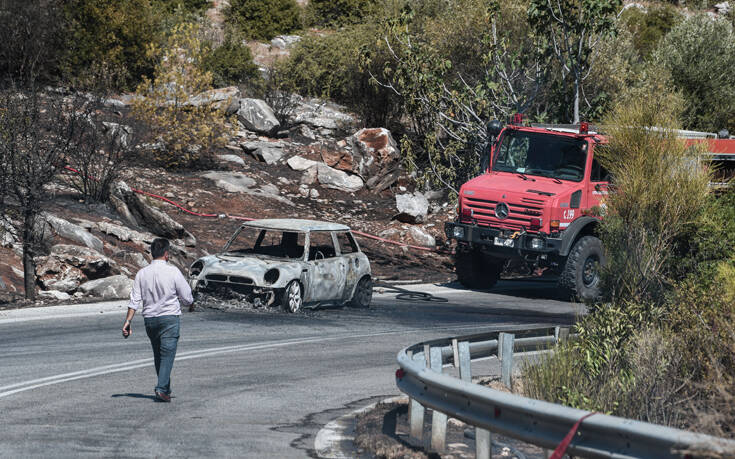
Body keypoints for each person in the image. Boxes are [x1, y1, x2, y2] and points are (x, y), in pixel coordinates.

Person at [122, 238, 193, 402]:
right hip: (169, 318)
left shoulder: (142, 273)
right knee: (167, 355)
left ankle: (165, 389)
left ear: (151, 254)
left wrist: (128, 321)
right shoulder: (173, 271)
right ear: (167, 254)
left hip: (150, 320)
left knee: (158, 355)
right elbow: (187, 297)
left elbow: (134, 300)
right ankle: (161, 388)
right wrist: (189, 303)